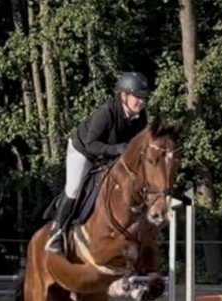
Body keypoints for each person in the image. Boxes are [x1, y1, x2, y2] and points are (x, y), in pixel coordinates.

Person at [45, 71, 149, 254]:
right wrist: (118, 149)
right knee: (74, 188)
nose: (141, 102)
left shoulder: (141, 117)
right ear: (123, 95)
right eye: (137, 97)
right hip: (84, 151)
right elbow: (91, 145)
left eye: (143, 98)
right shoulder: (107, 112)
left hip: (110, 155)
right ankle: (56, 232)